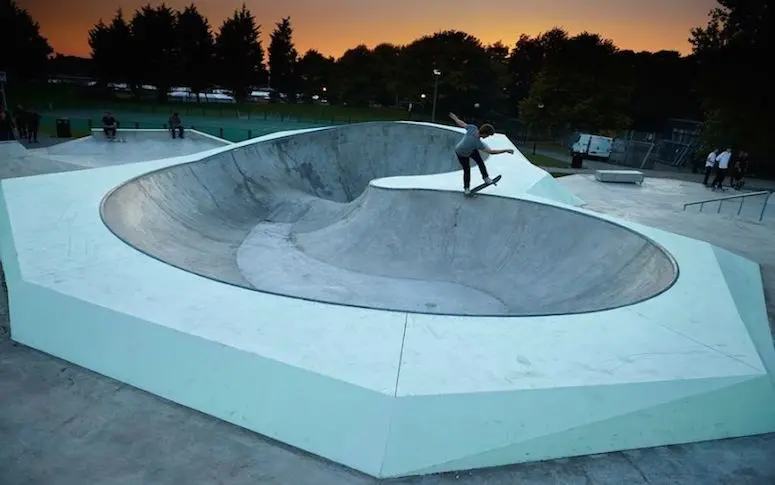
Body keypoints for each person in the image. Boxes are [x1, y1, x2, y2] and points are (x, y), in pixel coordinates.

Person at [448, 112, 513, 195]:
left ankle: (486, 178)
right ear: (484, 133)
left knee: (480, 162)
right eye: (488, 135)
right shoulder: (478, 143)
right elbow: (491, 152)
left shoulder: (473, 128)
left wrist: (455, 118)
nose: (487, 137)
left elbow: (462, 124)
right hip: (461, 153)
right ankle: (466, 188)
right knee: (467, 170)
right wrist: (505, 150)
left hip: (471, 150)